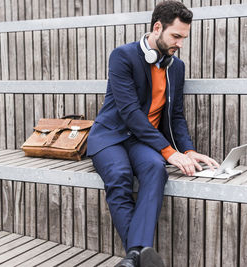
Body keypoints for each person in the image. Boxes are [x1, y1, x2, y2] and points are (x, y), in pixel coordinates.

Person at [86, 1, 219, 267]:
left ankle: (133, 258)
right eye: (176, 36)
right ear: (157, 27)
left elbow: (176, 116)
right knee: (120, 175)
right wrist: (170, 151)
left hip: (142, 141)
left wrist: (188, 150)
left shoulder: (176, 67)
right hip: (110, 136)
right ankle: (139, 253)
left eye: (184, 38)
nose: (180, 43)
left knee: (156, 169)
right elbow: (130, 113)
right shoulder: (122, 56)